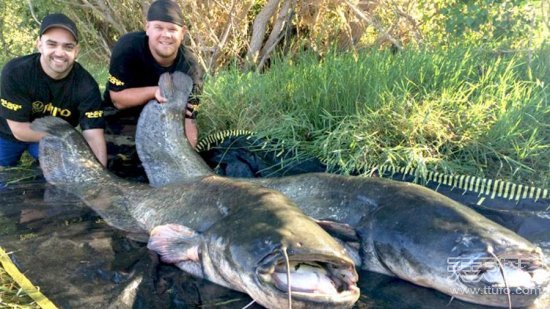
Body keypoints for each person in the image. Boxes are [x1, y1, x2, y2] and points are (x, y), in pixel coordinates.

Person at [0, 13, 107, 167]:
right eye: (52, 44)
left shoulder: (87, 86)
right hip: (8, 132)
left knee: (61, 173)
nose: (59, 52)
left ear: (76, 51)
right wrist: (68, 137)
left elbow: (94, 136)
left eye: (68, 46)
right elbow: (18, 130)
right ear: (39, 44)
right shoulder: (16, 72)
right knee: (4, 175)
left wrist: (100, 177)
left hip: (53, 141)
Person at [104, 0, 203, 150]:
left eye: (172, 29)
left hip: (164, 122)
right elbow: (117, 99)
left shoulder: (191, 70)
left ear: (182, 33)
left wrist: (186, 154)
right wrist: (155, 92)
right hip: (122, 114)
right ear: (147, 28)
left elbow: (189, 121)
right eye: (159, 27)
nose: (166, 35)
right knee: (122, 162)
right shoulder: (127, 48)